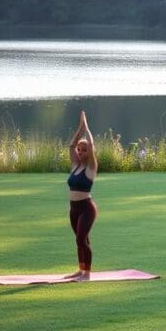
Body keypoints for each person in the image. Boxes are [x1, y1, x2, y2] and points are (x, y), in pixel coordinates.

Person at [65, 110, 98, 281]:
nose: (80, 152)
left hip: (86, 208)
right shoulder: (75, 166)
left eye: (83, 150)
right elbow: (71, 146)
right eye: (79, 149)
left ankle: (87, 274)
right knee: (79, 240)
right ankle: (80, 270)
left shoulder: (91, 167)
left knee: (81, 240)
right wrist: (80, 129)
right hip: (74, 209)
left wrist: (87, 129)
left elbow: (91, 146)